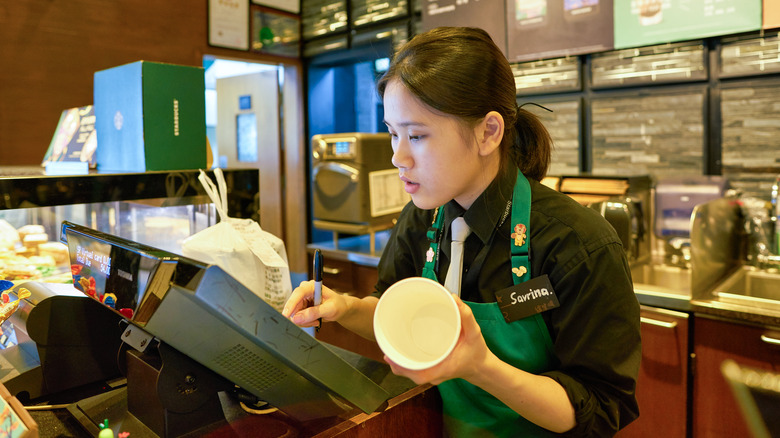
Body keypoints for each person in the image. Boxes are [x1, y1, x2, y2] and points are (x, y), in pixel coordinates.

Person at [283, 26, 641, 437]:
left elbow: (596, 410)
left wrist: (481, 367)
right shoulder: (421, 219)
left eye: (416, 136)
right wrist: (343, 308)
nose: (398, 157)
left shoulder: (578, 244)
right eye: (392, 133)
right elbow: (392, 311)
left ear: (488, 132)